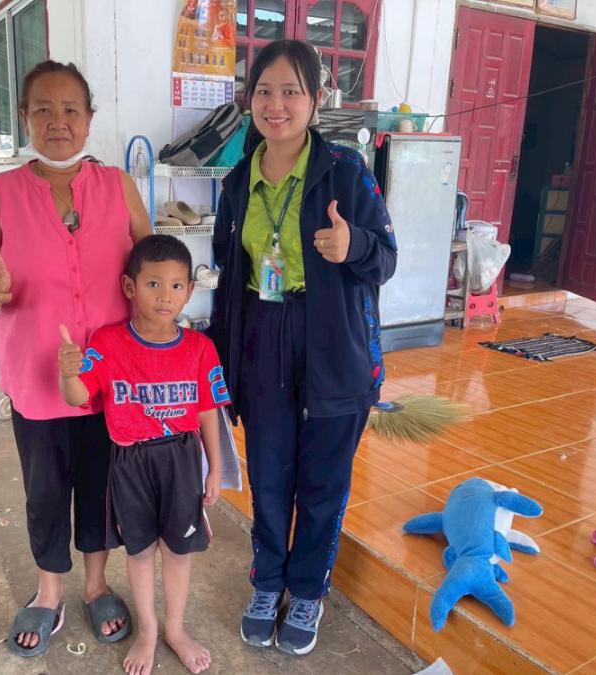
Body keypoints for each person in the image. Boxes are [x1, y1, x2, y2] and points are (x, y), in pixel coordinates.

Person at [209, 39, 397, 656]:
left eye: (291, 91)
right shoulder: (237, 182)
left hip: (333, 347)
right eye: (264, 91)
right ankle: (268, 583)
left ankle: (308, 590)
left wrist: (354, 247)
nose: (276, 104)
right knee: (268, 477)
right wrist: (218, 360)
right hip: (262, 341)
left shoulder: (346, 171)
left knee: (322, 484)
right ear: (249, 101)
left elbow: (387, 258)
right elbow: (229, 278)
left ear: (315, 100)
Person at [0, 60, 152, 657]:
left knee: (100, 487)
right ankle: (49, 590)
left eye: (71, 109)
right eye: (42, 109)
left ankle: (96, 585)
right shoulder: (4, 193)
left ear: (89, 119)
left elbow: (152, 263)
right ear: (24, 117)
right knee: (45, 490)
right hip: (37, 378)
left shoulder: (118, 186)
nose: (57, 121)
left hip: (108, 378)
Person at [59, 235, 227, 675]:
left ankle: (175, 628)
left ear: (189, 291)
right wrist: (68, 372)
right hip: (130, 462)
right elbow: (78, 396)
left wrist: (215, 468)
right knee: (140, 550)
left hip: (182, 460)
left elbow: (207, 410)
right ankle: (149, 630)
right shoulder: (108, 342)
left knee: (178, 550)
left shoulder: (200, 348)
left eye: (176, 286)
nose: (165, 296)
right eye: (153, 284)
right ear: (129, 287)